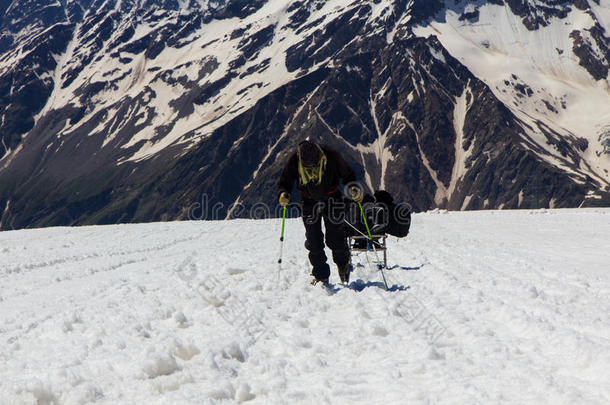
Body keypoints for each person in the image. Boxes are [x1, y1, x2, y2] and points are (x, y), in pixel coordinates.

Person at [278, 140, 363, 284]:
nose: (310, 168)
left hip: (332, 198)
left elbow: (348, 175)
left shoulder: (331, 155)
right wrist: (283, 193)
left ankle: (343, 265)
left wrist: (353, 187)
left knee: (335, 238)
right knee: (313, 240)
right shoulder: (295, 159)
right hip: (308, 201)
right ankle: (320, 274)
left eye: (313, 164)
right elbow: (285, 180)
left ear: (318, 155)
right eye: (307, 166)